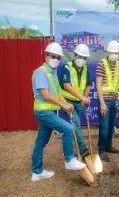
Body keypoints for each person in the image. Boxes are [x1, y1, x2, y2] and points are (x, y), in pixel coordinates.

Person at [31, 42, 86, 182]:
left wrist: (66, 104)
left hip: (50, 112)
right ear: (46, 56)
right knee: (68, 129)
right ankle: (69, 160)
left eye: (58, 57)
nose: (56, 59)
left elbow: (57, 93)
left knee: (41, 142)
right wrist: (63, 105)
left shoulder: (53, 73)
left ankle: (37, 172)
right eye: (53, 56)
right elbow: (46, 95)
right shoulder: (41, 72)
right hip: (44, 112)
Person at [59, 44, 92, 159]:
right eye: (80, 57)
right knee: (76, 124)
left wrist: (84, 97)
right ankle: (83, 150)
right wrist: (83, 98)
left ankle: (70, 150)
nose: (82, 60)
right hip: (67, 102)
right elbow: (67, 86)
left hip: (79, 103)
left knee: (73, 126)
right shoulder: (67, 67)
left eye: (84, 58)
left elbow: (88, 85)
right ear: (74, 56)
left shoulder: (86, 69)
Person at [96, 40, 119, 161]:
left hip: (114, 100)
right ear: (108, 51)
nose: (114, 54)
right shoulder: (101, 64)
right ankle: (101, 150)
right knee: (104, 126)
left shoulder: (118, 64)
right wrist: (102, 102)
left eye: (116, 52)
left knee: (111, 125)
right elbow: (98, 84)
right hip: (105, 101)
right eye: (112, 52)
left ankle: (108, 146)